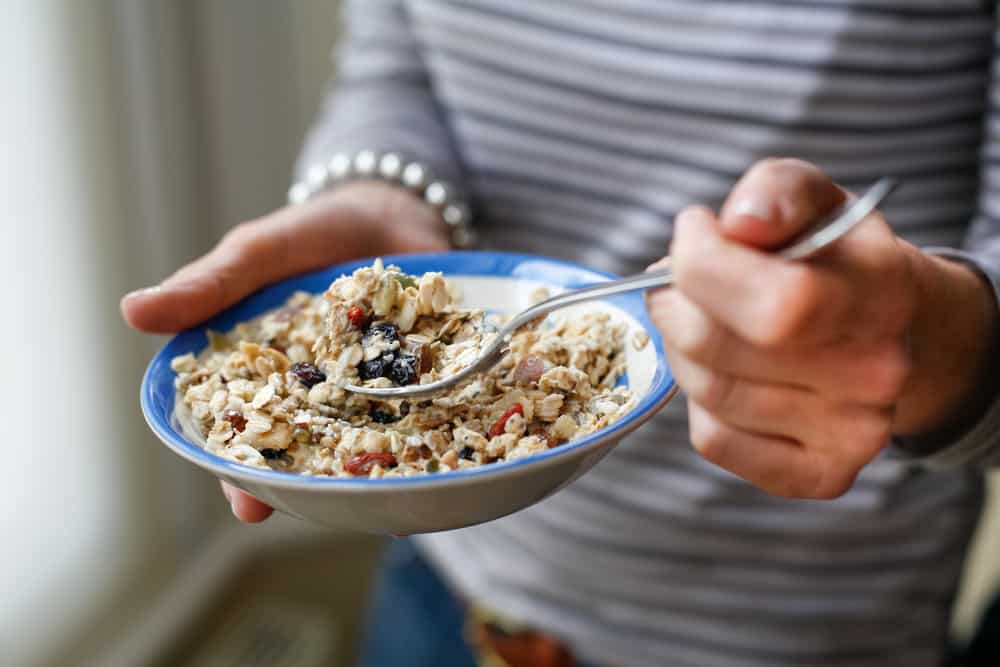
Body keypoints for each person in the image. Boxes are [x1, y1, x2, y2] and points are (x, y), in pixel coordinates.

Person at [122, 2, 1000, 665]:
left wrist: (938, 342)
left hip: (801, 623)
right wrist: (377, 196)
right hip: (451, 588)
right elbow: (397, 67)